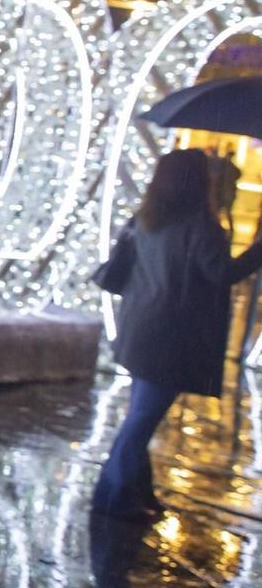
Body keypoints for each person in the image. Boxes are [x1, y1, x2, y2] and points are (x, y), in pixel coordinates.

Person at [92, 147, 262, 520]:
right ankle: (111, 497)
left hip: (139, 330)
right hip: (171, 337)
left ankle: (139, 492)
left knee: (140, 414)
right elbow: (221, 274)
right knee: (141, 422)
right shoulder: (199, 226)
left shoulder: (148, 218)